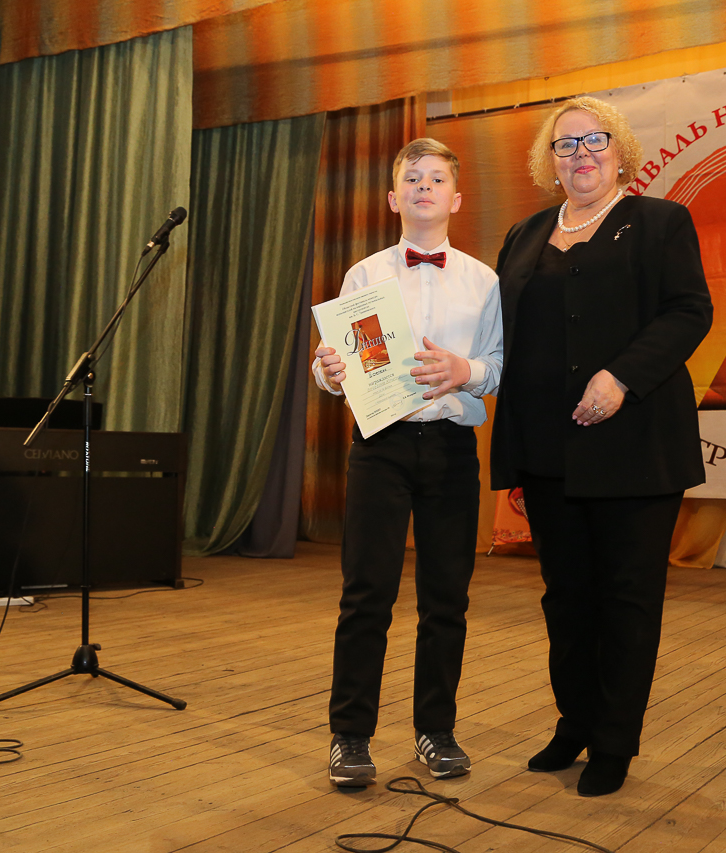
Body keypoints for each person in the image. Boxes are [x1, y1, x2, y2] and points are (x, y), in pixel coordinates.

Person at [490, 97, 713, 797]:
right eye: (566, 144)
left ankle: (614, 741)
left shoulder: (661, 222)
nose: (581, 153)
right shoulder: (524, 235)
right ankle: (575, 722)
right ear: (549, 162)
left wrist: (621, 377)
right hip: (547, 450)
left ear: (621, 152)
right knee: (566, 599)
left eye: (595, 140)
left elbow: (690, 311)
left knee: (627, 600)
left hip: (635, 446)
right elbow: (501, 334)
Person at [313, 138, 503, 788]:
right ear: (394, 199)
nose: (425, 186)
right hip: (381, 447)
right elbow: (332, 365)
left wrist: (463, 369)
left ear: (457, 197)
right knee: (366, 593)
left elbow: (498, 366)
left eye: (437, 177)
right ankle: (350, 736)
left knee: (446, 598)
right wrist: (328, 369)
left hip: (451, 448)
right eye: (413, 177)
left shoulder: (484, 280)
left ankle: (436, 731)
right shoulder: (364, 275)